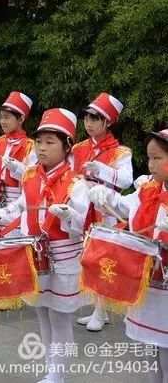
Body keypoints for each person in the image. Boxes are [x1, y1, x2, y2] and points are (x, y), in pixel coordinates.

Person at [0, 108, 89, 383]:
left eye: (50, 142)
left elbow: (81, 224)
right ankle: (50, 369)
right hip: (35, 255)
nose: (42, 148)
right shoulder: (31, 174)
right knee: (42, 313)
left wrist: (69, 215)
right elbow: (23, 204)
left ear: (67, 146)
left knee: (59, 317)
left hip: (64, 259)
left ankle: (59, 374)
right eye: (40, 142)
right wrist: (3, 213)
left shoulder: (77, 181)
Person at [89, 129, 168, 383]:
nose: (151, 164)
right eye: (149, 158)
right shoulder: (147, 190)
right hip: (146, 285)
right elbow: (123, 205)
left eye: (157, 158)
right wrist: (103, 196)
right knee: (149, 350)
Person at [72, 93, 133, 332]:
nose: (89, 123)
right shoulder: (77, 148)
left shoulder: (121, 152)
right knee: (86, 259)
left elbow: (126, 180)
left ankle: (100, 311)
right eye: (87, 117)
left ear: (108, 122)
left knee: (102, 260)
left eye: (95, 118)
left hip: (105, 210)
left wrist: (102, 171)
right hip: (82, 209)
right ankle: (98, 309)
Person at [0, 91, 37, 238]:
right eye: (1, 117)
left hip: (17, 200)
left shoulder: (30, 145)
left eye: (7, 117)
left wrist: (17, 168)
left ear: (21, 118)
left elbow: (34, 176)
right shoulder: (0, 141)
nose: (2, 121)